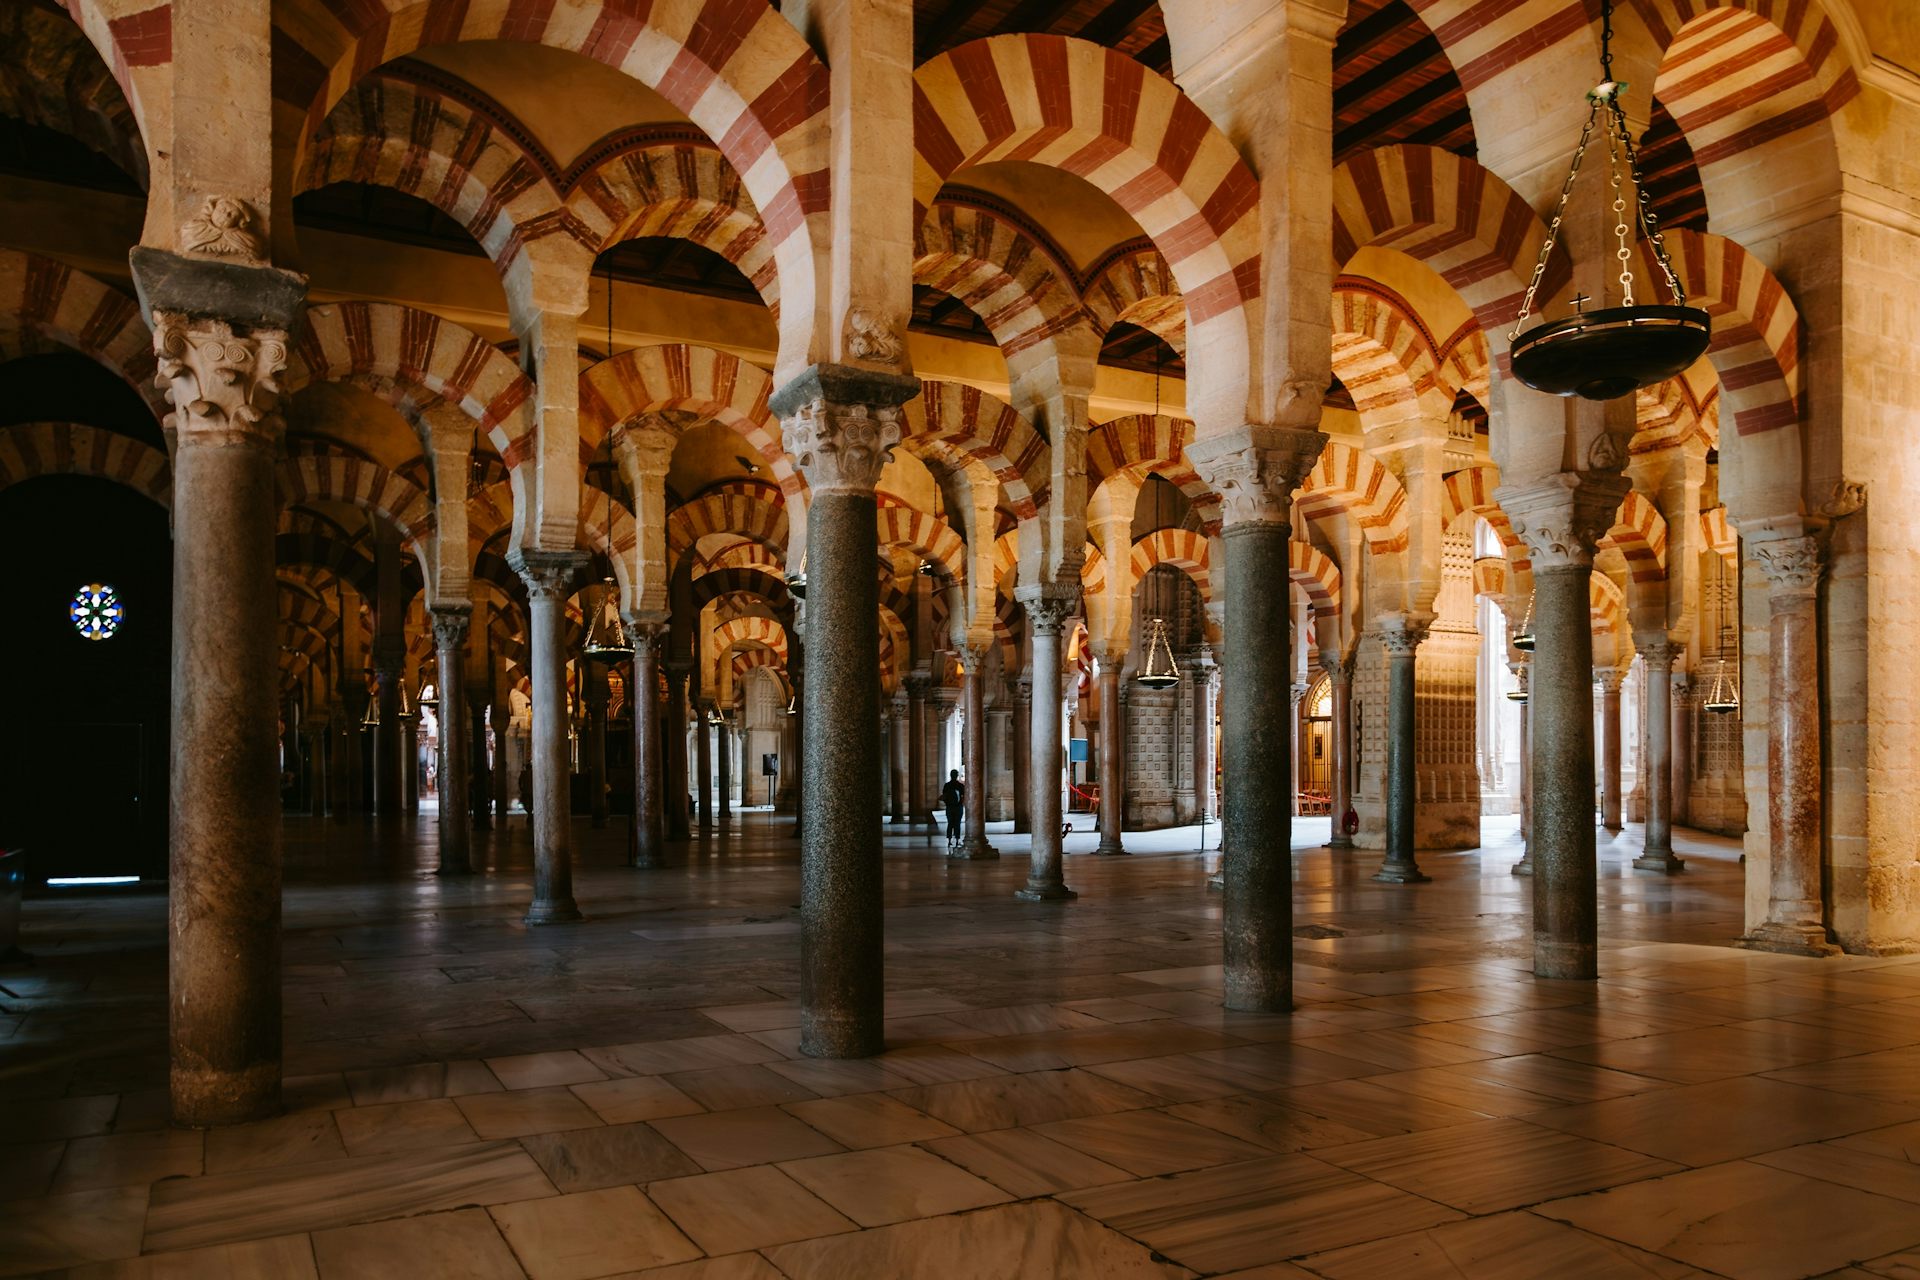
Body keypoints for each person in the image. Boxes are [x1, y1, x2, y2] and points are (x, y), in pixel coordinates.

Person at [941, 769, 966, 851]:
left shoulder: (947, 785)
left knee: (950, 823)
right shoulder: (960, 785)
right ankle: (957, 840)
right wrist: (961, 804)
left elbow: (944, 796)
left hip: (950, 807)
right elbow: (963, 796)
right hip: (958, 807)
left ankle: (949, 840)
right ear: (957, 776)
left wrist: (947, 804)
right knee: (957, 823)